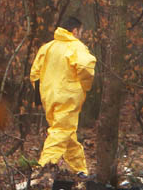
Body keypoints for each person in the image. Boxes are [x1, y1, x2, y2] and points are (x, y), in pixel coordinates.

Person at [30, 16, 96, 177]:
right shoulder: (76, 47)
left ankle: (79, 170)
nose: (80, 35)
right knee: (61, 131)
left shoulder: (47, 48)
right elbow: (86, 68)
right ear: (74, 31)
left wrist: (41, 93)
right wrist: (84, 87)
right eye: (80, 32)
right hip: (68, 96)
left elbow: (35, 73)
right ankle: (43, 168)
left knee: (66, 133)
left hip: (49, 97)